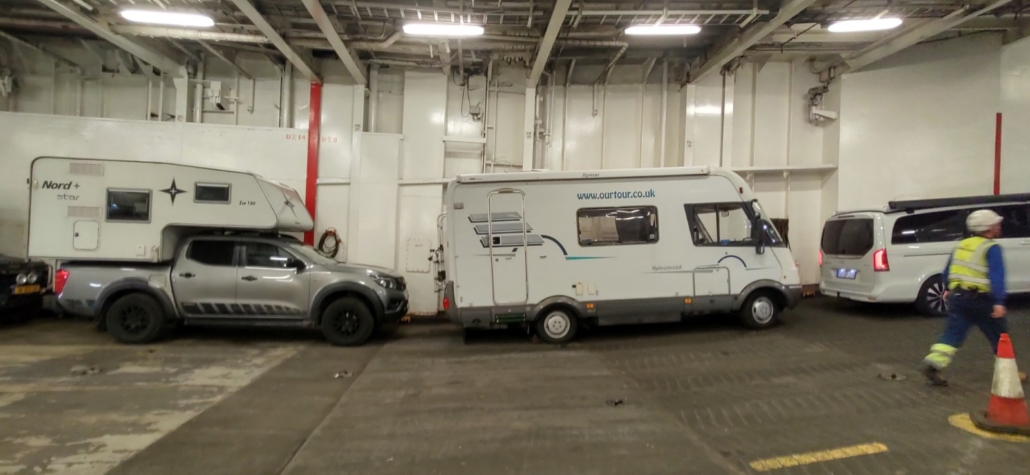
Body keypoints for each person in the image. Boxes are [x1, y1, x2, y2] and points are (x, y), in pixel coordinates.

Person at [921, 209, 1010, 386]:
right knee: (1000, 336)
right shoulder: (991, 248)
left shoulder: (961, 245)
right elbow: (997, 276)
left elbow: (947, 271)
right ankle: (1008, 374)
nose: (999, 226)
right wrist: (999, 302)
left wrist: (947, 288)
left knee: (952, 334)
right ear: (988, 229)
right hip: (982, 300)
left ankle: (934, 364)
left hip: (958, 298)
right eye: (996, 224)